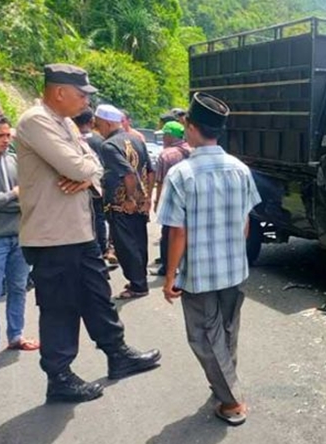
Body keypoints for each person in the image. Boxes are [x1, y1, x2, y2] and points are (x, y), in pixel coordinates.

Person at [15, 64, 160, 403]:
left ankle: (117, 354)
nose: (85, 102)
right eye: (81, 94)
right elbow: (82, 166)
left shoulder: (64, 122)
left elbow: (93, 163)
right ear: (59, 92)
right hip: (52, 236)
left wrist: (89, 173)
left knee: (98, 295)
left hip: (79, 232)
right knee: (60, 307)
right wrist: (88, 172)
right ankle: (60, 376)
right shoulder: (36, 121)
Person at [158, 92, 261, 426]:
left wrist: (169, 275)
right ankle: (224, 384)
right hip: (234, 268)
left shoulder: (182, 174)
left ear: (190, 126)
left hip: (200, 273)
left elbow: (178, 233)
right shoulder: (241, 170)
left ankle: (231, 401)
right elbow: (246, 223)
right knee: (227, 329)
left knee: (204, 335)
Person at [0, 113, 40, 367]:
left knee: (19, 288)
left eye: (8, 135)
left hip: (20, 234)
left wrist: (1, 200)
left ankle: (15, 335)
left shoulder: (16, 162)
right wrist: (12, 196)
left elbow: (31, 195)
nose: (7, 140)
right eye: (0, 135)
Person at [95, 104, 154, 299]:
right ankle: (140, 280)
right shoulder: (136, 139)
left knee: (125, 247)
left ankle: (137, 285)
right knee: (139, 243)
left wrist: (129, 198)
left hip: (122, 205)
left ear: (108, 123)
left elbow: (128, 174)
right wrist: (146, 199)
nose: (98, 128)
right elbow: (150, 171)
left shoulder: (109, 146)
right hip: (139, 204)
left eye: (99, 124)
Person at [151, 121, 191, 277]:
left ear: (169, 136)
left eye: (164, 135)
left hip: (172, 200)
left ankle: (167, 267)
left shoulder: (166, 155)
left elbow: (160, 182)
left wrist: (157, 202)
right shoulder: (193, 150)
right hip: (191, 199)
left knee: (168, 234)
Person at [71, 108, 110, 260]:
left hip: (76, 187)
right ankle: (101, 249)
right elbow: (104, 165)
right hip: (96, 187)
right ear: (91, 121)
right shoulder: (99, 140)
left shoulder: (72, 139)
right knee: (98, 218)